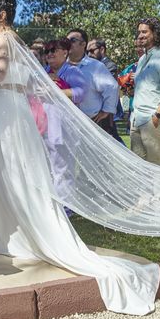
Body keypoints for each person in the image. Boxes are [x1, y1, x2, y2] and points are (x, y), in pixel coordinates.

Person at [0, 0, 159, 315]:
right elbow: (29, 84)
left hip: (5, 114)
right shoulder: (18, 42)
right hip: (18, 114)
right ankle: (7, 232)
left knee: (8, 174)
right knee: (19, 176)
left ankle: (1, 234)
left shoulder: (2, 42)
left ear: (1, 15)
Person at [44, 38, 88, 210]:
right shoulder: (42, 71)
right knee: (48, 167)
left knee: (63, 168)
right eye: (47, 51)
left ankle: (66, 208)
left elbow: (81, 92)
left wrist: (56, 90)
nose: (50, 53)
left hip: (63, 126)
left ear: (65, 52)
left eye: (54, 49)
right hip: (43, 125)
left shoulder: (72, 71)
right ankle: (52, 205)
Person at [130, 18, 160, 166]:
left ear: (155, 33)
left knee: (155, 164)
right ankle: (143, 191)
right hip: (136, 118)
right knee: (138, 165)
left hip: (152, 119)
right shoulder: (143, 58)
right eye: (139, 32)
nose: (140, 35)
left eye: (144, 32)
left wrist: (157, 115)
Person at [66, 29, 121, 139]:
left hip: (92, 124)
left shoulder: (95, 66)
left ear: (83, 44)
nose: (67, 43)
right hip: (68, 124)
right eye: (66, 40)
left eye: (72, 40)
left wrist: (106, 111)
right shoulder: (61, 66)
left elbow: (112, 87)